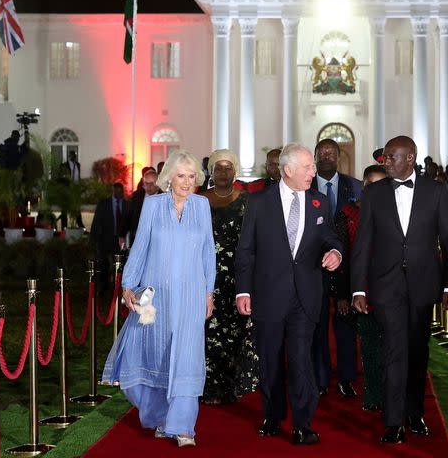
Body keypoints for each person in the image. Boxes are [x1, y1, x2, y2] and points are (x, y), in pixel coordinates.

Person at [102, 150, 216, 447]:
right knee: (153, 353)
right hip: (157, 298)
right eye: (181, 176)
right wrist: (128, 285)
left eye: (192, 177)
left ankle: (183, 426)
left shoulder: (202, 206)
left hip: (191, 295)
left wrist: (209, 293)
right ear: (169, 179)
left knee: (187, 356)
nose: (187, 182)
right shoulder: (153, 205)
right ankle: (158, 414)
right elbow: (140, 247)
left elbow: (208, 253)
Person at [351, 135, 448, 444]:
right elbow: (363, 244)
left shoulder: (436, 192)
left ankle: (415, 412)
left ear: (410, 158)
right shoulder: (373, 193)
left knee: (417, 350)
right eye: (384, 157)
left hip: (424, 284)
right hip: (386, 286)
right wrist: (358, 289)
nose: (385, 162)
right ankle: (394, 420)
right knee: (394, 349)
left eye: (391, 157)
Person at [235, 143, 343, 446]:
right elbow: (246, 251)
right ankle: (271, 415)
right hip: (268, 295)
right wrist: (243, 290)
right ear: (288, 170)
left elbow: (331, 238)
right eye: (308, 167)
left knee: (300, 360)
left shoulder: (319, 203)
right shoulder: (258, 203)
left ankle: (302, 423)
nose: (313, 171)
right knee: (269, 360)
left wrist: (335, 252)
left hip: (306, 296)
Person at [200, 149, 259, 404]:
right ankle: (210, 387)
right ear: (211, 172)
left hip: (239, 275)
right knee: (209, 332)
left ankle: (234, 386)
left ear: (235, 171)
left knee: (236, 330)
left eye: (228, 167)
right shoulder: (200, 200)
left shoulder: (248, 200)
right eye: (218, 168)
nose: (223, 172)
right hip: (206, 275)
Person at [310, 138, 362, 399]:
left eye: (332, 152)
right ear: (316, 155)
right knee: (317, 326)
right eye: (323, 152)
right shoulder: (305, 186)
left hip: (348, 266)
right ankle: (319, 379)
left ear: (339, 156)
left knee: (345, 325)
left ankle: (346, 378)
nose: (327, 156)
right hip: (313, 267)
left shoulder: (355, 187)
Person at [333, 164, 386, 412]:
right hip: (360, 291)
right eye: (371, 183)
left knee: (389, 347)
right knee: (368, 346)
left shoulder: (394, 211)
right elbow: (341, 257)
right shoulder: (348, 213)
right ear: (363, 185)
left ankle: (389, 394)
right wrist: (343, 294)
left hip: (389, 291)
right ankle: (372, 395)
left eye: (381, 184)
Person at [90, 183, 129, 293]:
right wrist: (94, 239)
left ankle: (119, 287)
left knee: (121, 263)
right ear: (113, 191)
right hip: (106, 239)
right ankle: (104, 287)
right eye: (117, 192)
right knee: (104, 264)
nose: (119, 194)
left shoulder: (126, 205)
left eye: (121, 192)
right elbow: (97, 222)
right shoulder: (104, 204)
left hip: (121, 240)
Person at [119, 168, 161, 248]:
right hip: (137, 239)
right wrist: (122, 235)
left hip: (157, 242)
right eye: (146, 183)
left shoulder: (164, 198)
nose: (148, 187)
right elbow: (128, 216)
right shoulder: (137, 196)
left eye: (151, 184)